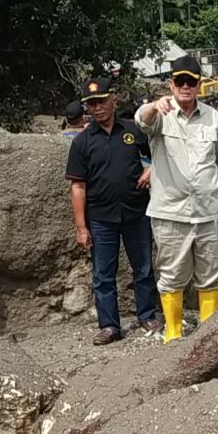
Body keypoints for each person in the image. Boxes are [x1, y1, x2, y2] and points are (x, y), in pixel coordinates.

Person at [135, 56, 218, 343]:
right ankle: (174, 334)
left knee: (211, 275)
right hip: (171, 213)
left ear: (199, 84)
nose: (185, 86)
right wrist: (154, 106)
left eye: (191, 81)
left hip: (208, 212)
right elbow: (141, 121)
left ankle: (208, 337)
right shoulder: (160, 115)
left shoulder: (213, 117)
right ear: (171, 84)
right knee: (171, 275)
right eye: (179, 80)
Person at [67, 77, 161, 345]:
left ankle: (147, 315)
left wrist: (150, 168)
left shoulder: (133, 130)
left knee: (143, 268)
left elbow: (159, 152)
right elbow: (78, 186)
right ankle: (109, 325)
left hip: (137, 212)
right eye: (91, 104)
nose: (97, 108)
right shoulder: (82, 142)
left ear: (113, 100)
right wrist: (81, 227)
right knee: (102, 275)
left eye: (101, 101)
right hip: (101, 218)